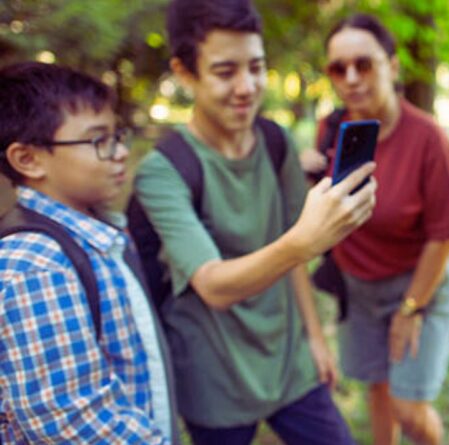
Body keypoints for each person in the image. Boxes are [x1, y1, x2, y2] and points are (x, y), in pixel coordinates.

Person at [131, 1, 376, 444]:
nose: (246, 87)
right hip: (214, 375)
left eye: (257, 67)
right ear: (185, 74)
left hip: (288, 361)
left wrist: (315, 338)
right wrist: (304, 241)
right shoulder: (163, 171)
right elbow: (213, 285)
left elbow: (290, 254)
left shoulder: (275, 141)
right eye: (225, 72)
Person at [304, 14, 449, 445]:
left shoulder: (428, 139)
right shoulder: (331, 129)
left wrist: (410, 308)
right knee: (377, 393)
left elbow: (445, 235)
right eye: (338, 68)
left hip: (418, 283)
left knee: (408, 408)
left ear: (393, 67)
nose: (352, 78)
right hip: (358, 288)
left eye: (365, 64)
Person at [0, 62, 177, 443]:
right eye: (99, 140)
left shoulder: (98, 231)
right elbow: (71, 420)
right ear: (28, 159)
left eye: (117, 136)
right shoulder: (37, 266)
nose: (120, 153)